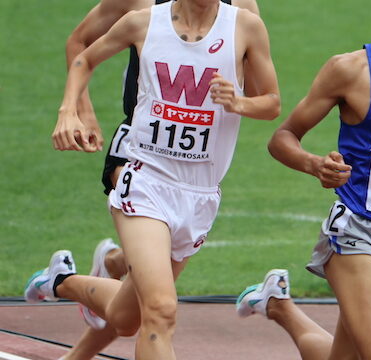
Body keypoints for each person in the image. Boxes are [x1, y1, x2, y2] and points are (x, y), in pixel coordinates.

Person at [25, 1, 280, 359]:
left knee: (126, 318)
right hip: (146, 177)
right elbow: (83, 55)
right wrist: (70, 112)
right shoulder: (142, 20)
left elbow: (269, 101)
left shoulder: (246, 23)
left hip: (200, 192)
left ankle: (60, 282)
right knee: (160, 310)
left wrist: (239, 103)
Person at [236, 1, 371, 359]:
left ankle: (280, 306)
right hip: (361, 232)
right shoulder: (351, 70)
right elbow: (283, 138)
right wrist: (315, 165)